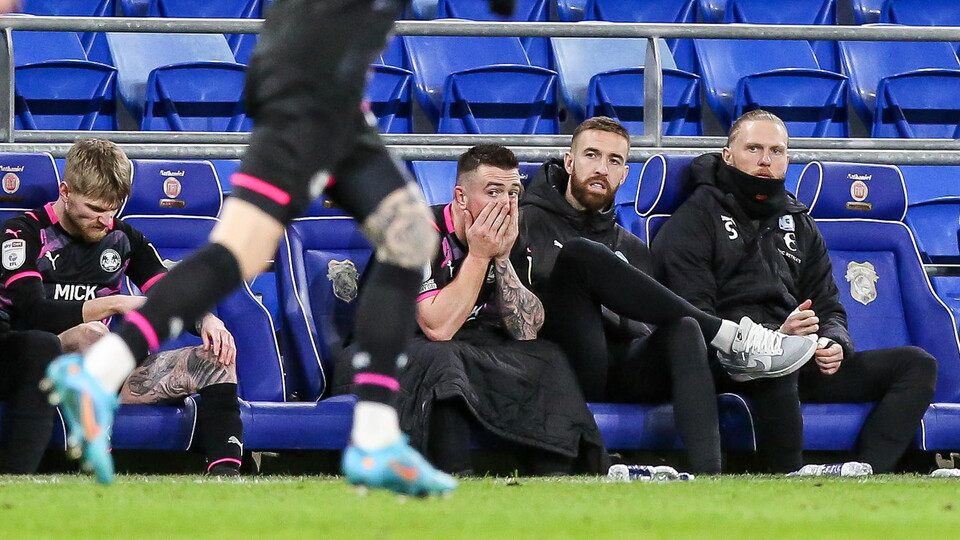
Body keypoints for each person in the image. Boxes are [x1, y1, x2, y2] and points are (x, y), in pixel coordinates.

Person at [43, 0, 517, 493]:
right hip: (307, 90)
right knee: (244, 253)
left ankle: (375, 437)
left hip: (326, 92)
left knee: (406, 239)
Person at [510, 116, 818, 474]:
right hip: (563, 363)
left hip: (620, 367)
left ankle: (708, 477)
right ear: (569, 162)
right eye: (592, 155)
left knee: (685, 329)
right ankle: (729, 335)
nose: (602, 169)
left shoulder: (632, 246)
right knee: (580, 254)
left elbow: (646, 328)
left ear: (624, 174)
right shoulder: (524, 222)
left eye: (614, 161)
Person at [651, 109, 938, 473]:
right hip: (732, 361)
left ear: (787, 159)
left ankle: (862, 473)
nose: (765, 160)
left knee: (917, 364)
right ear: (728, 155)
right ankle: (785, 483)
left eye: (776, 151)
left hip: (799, 355)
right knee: (776, 364)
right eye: (753, 149)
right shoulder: (695, 219)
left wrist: (833, 343)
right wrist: (771, 338)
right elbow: (693, 315)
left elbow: (829, 306)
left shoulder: (800, 221)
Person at [334, 145, 608, 476]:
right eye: (493, 192)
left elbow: (526, 331)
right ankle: (456, 474)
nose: (506, 204)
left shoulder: (510, 234)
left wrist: (502, 258)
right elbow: (438, 327)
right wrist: (479, 257)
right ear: (461, 198)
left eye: (513, 192)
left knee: (546, 356)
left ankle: (556, 477)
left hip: (461, 346)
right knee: (445, 359)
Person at [0, 139, 244, 476]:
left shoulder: (123, 238)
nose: (105, 220)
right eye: (95, 209)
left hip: (103, 373)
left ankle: (226, 479)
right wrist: (113, 304)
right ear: (65, 191)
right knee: (94, 335)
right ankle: (94, 452)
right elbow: (31, 312)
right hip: (32, 364)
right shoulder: (24, 232)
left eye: (112, 208)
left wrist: (206, 320)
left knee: (215, 357)